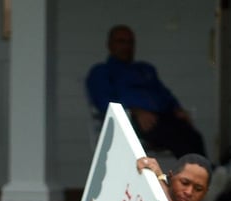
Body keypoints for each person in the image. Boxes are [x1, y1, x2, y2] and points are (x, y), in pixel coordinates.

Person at [86, 25, 208, 159]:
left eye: (130, 42)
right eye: (121, 41)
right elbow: (104, 102)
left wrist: (177, 108)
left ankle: (209, 169)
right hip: (134, 121)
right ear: (110, 45)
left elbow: (164, 94)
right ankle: (199, 170)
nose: (126, 46)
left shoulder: (145, 69)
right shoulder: (101, 72)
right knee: (177, 138)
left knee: (193, 136)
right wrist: (134, 111)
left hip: (164, 117)